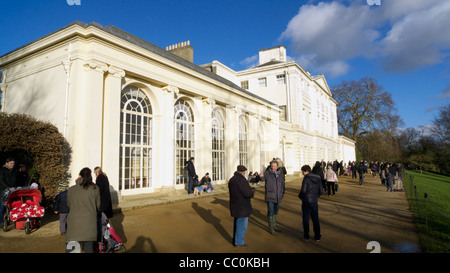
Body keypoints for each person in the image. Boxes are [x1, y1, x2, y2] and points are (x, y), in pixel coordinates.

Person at [66, 167, 100, 253]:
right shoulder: (95, 188)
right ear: (90, 176)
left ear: (80, 176)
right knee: (89, 249)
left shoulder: (71, 189)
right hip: (89, 223)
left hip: (74, 223)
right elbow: (98, 205)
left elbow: (69, 204)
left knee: (72, 250)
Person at [228, 165, 254, 248]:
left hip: (235, 204)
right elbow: (247, 193)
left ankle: (235, 240)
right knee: (242, 224)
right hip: (242, 205)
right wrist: (252, 192)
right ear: (243, 172)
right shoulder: (242, 180)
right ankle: (239, 242)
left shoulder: (232, 179)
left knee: (237, 223)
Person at [298, 165, 323, 241]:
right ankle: (317, 236)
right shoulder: (318, 178)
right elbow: (321, 191)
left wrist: (301, 197)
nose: (302, 173)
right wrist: (315, 196)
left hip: (306, 201)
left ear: (306, 171)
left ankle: (306, 236)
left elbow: (304, 190)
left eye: (303, 171)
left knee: (306, 219)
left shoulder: (306, 178)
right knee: (315, 219)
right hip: (314, 201)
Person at [263, 160, 285, 235]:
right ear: (270, 166)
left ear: (277, 167)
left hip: (278, 196)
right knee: (271, 212)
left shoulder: (280, 175)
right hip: (270, 196)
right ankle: (271, 228)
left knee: (276, 211)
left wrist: (282, 193)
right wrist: (259, 177)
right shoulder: (267, 173)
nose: (273, 168)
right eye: (272, 166)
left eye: (275, 166)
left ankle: (274, 226)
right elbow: (261, 179)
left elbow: (282, 185)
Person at [0, 158, 16, 225]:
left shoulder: (14, 170)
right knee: (3, 206)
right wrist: (7, 187)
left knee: (12, 205)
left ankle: (11, 219)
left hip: (13, 190)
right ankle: (1, 221)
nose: (12, 165)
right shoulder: (2, 170)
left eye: (13, 164)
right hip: (4, 190)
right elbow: (1, 180)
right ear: (7, 163)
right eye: (11, 163)